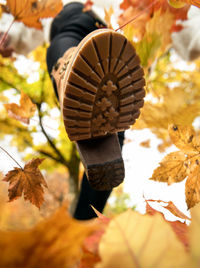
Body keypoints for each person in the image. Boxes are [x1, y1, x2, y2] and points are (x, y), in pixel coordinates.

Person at [46, 1, 145, 219]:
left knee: (66, 42)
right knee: (113, 130)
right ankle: (86, 218)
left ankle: (68, 70)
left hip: (71, 26)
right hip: (102, 31)